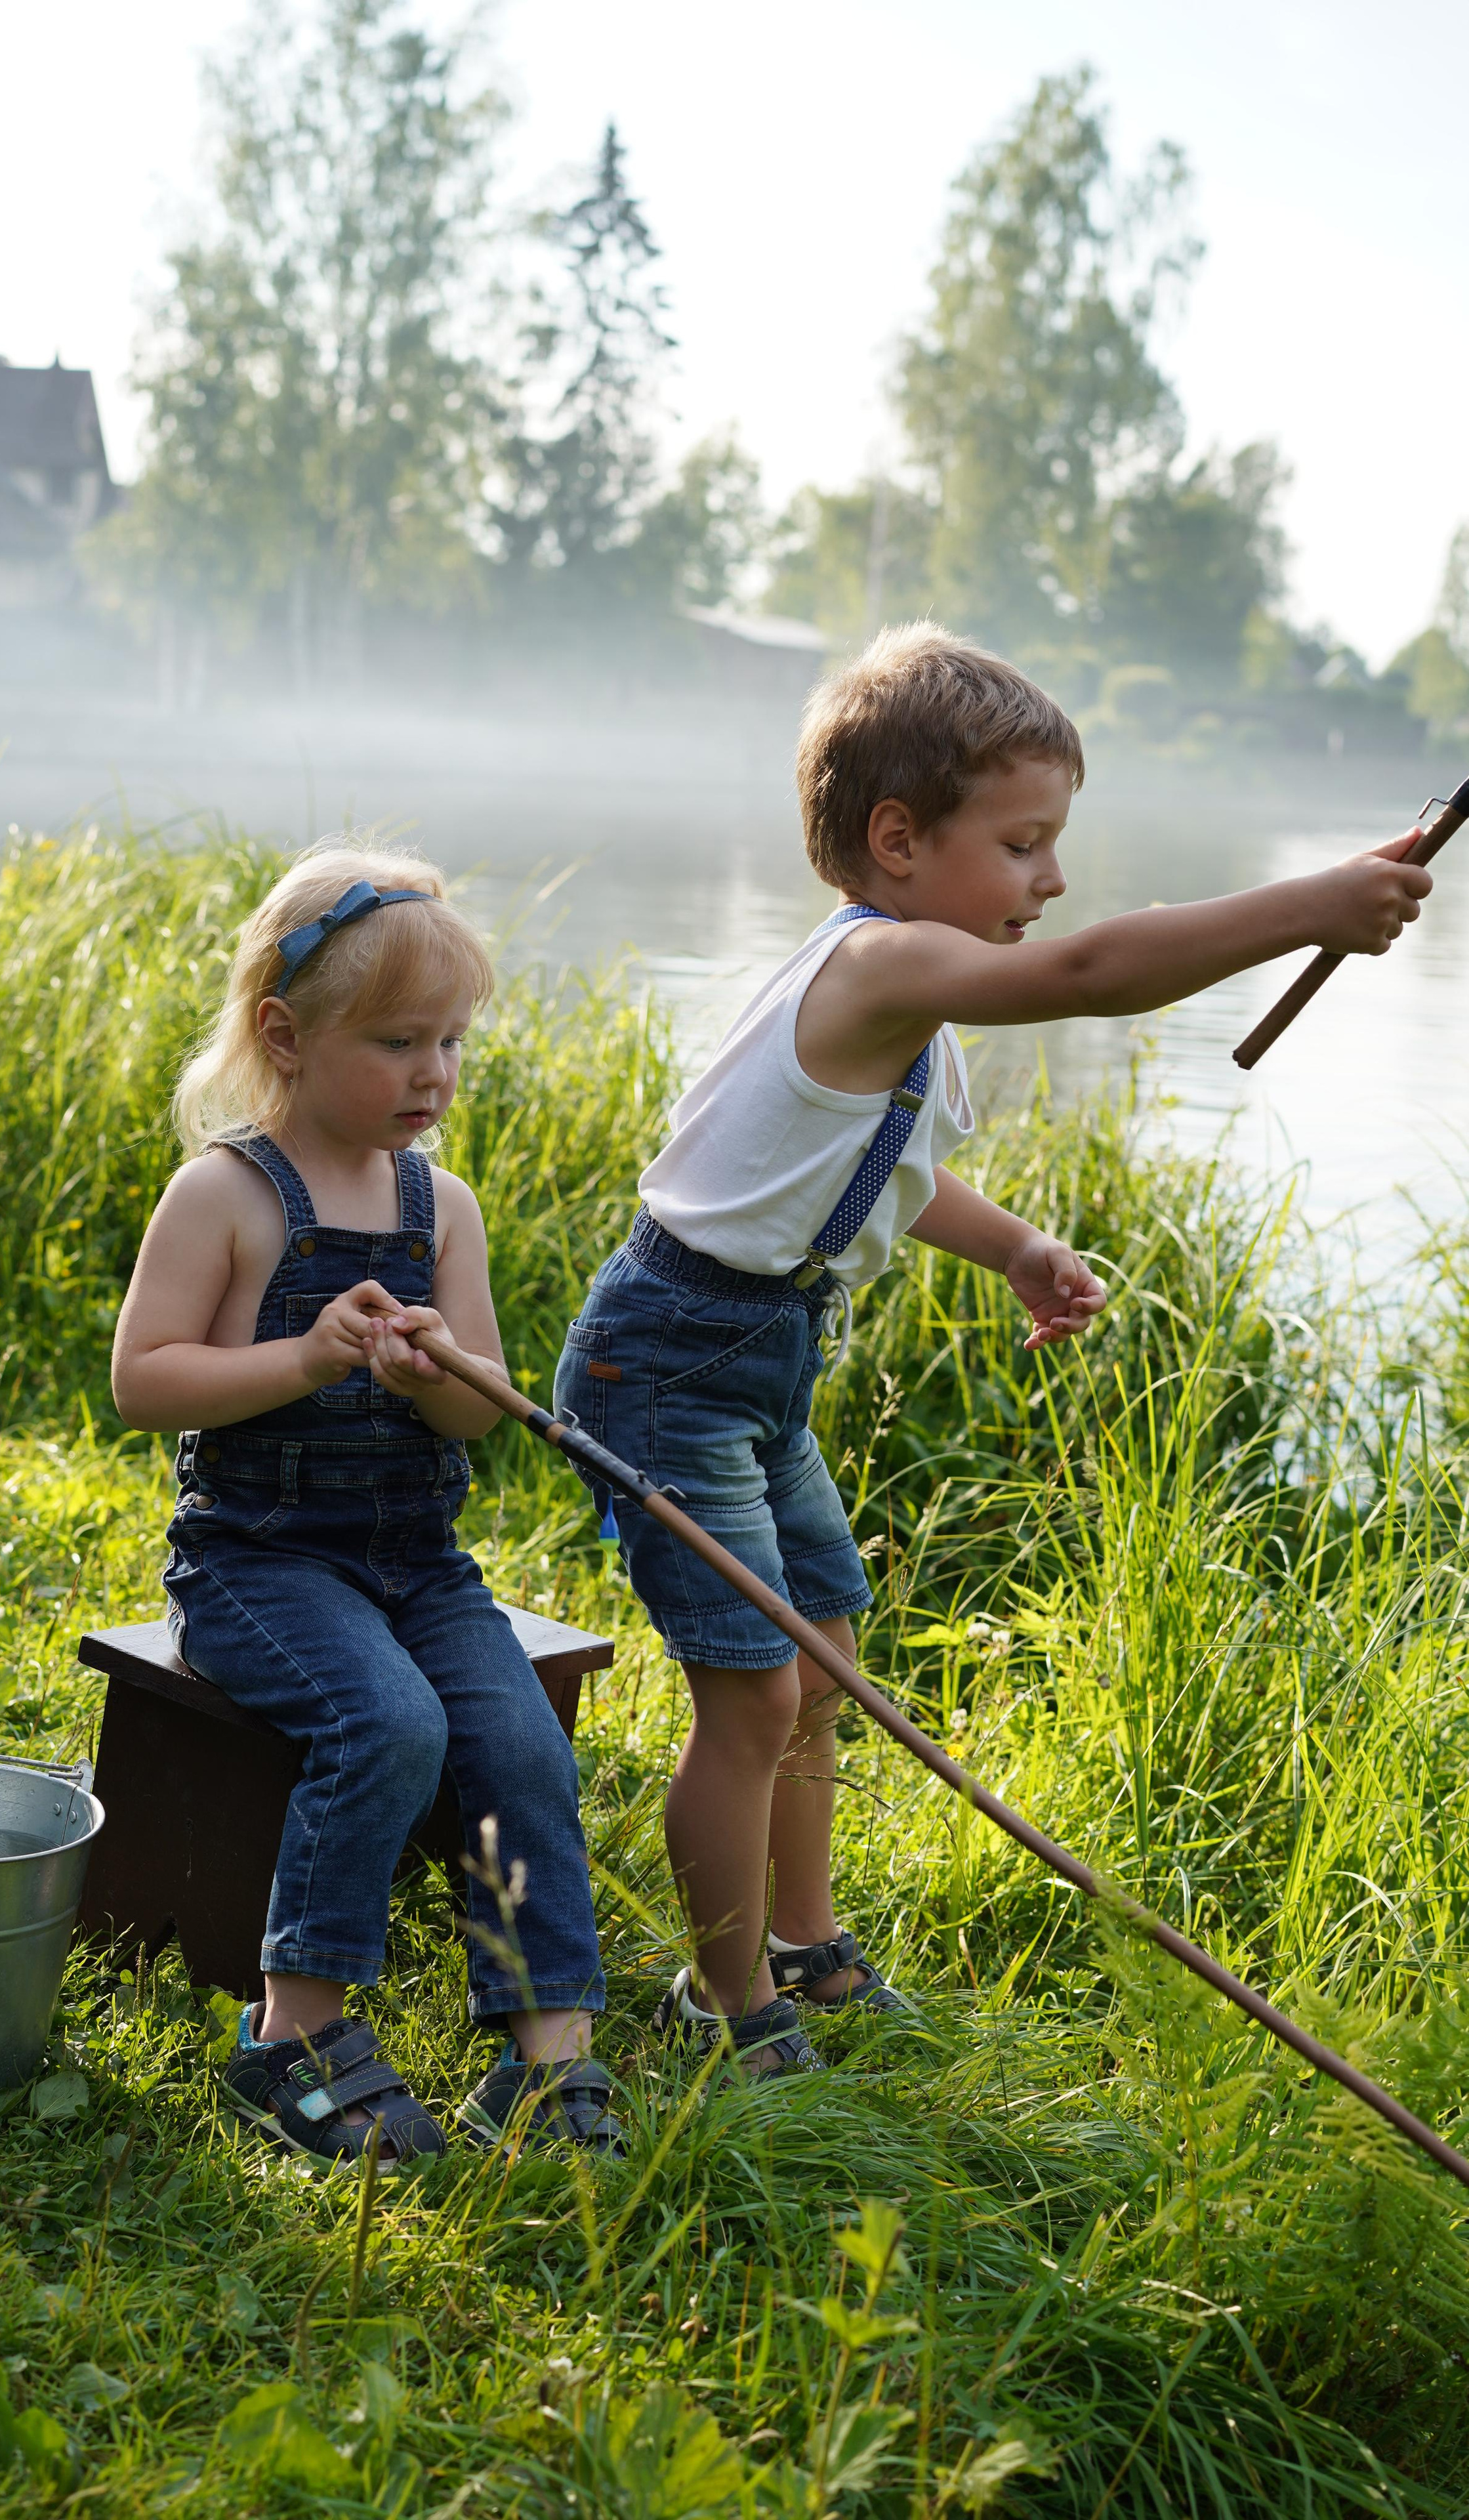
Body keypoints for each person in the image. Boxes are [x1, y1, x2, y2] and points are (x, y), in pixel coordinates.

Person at [555, 622, 1433, 2081]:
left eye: (1052, 845)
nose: (1052, 880)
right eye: (1022, 844)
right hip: (665, 1362)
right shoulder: (877, 970)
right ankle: (722, 2006)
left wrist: (1016, 1244)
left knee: (820, 1662)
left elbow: (883, 1172)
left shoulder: (908, 998)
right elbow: (1095, 970)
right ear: (896, 842)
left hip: (758, 1365)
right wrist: (1309, 904)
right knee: (752, 1691)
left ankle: (802, 1946)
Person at [112, 845, 617, 2164]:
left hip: (416, 1559)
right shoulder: (225, 1194)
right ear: (285, 1035)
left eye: (450, 1043)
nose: (433, 1075)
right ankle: (293, 2035)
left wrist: (439, 1371)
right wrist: (308, 1356)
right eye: (397, 1043)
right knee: (385, 1723)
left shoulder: (437, 1205)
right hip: (258, 1565)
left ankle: (545, 2053)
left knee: (517, 1746)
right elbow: (144, 1380)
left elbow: (482, 1408)